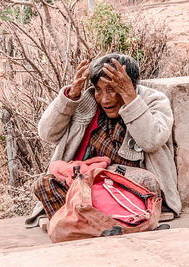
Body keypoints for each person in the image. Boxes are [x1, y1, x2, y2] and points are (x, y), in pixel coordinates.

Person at [34, 53, 181, 220]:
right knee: (44, 183)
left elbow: (152, 140)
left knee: (144, 181)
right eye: (98, 90)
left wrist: (130, 98)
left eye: (112, 89)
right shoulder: (87, 102)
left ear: (129, 85)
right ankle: (99, 216)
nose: (104, 99)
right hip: (89, 183)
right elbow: (47, 134)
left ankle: (84, 217)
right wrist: (71, 97)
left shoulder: (154, 100)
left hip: (131, 187)